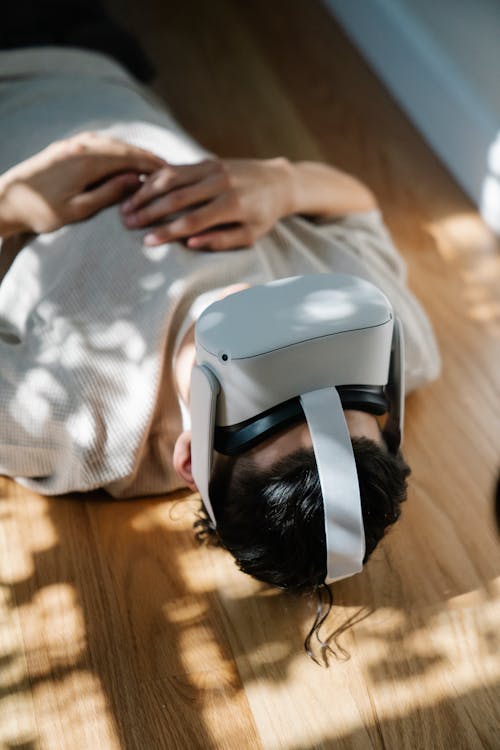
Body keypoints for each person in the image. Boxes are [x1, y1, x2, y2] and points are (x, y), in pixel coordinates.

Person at [0, 30, 440, 600]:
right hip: (94, 55)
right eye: (332, 375)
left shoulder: (73, 424)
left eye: (272, 398)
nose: (293, 339)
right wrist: (284, 182)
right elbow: (359, 208)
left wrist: (10, 206)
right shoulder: (385, 338)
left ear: (191, 456)